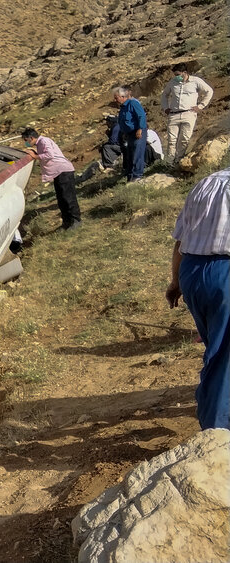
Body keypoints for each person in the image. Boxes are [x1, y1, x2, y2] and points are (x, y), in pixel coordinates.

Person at [165, 167, 229, 431]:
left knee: (216, 348)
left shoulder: (207, 183)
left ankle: (211, 411)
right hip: (225, 274)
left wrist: (176, 280)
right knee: (224, 357)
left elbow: (181, 239)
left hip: (193, 271)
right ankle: (216, 434)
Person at [22, 128, 81, 230]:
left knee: (68, 197)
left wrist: (35, 156)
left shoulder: (44, 141)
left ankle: (76, 220)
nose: (26, 143)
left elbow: (50, 155)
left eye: (26, 140)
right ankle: (66, 222)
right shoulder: (40, 144)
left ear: (31, 138)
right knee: (61, 198)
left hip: (63, 171)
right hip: (57, 173)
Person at [161, 63, 214, 164]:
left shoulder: (196, 81)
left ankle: (179, 160)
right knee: (172, 140)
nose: (176, 77)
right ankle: (170, 162)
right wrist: (165, 108)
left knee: (184, 139)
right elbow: (164, 95)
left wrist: (201, 106)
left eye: (178, 74)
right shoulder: (172, 83)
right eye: (175, 75)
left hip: (189, 113)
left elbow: (209, 91)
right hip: (174, 114)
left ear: (184, 73)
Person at [113, 86, 148, 182]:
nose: (115, 100)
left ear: (123, 96)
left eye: (116, 97)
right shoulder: (123, 107)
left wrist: (140, 129)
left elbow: (141, 116)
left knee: (137, 153)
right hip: (129, 134)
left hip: (137, 132)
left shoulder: (133, 103)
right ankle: (130, 176)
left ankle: (137, 175)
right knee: (130, 154)